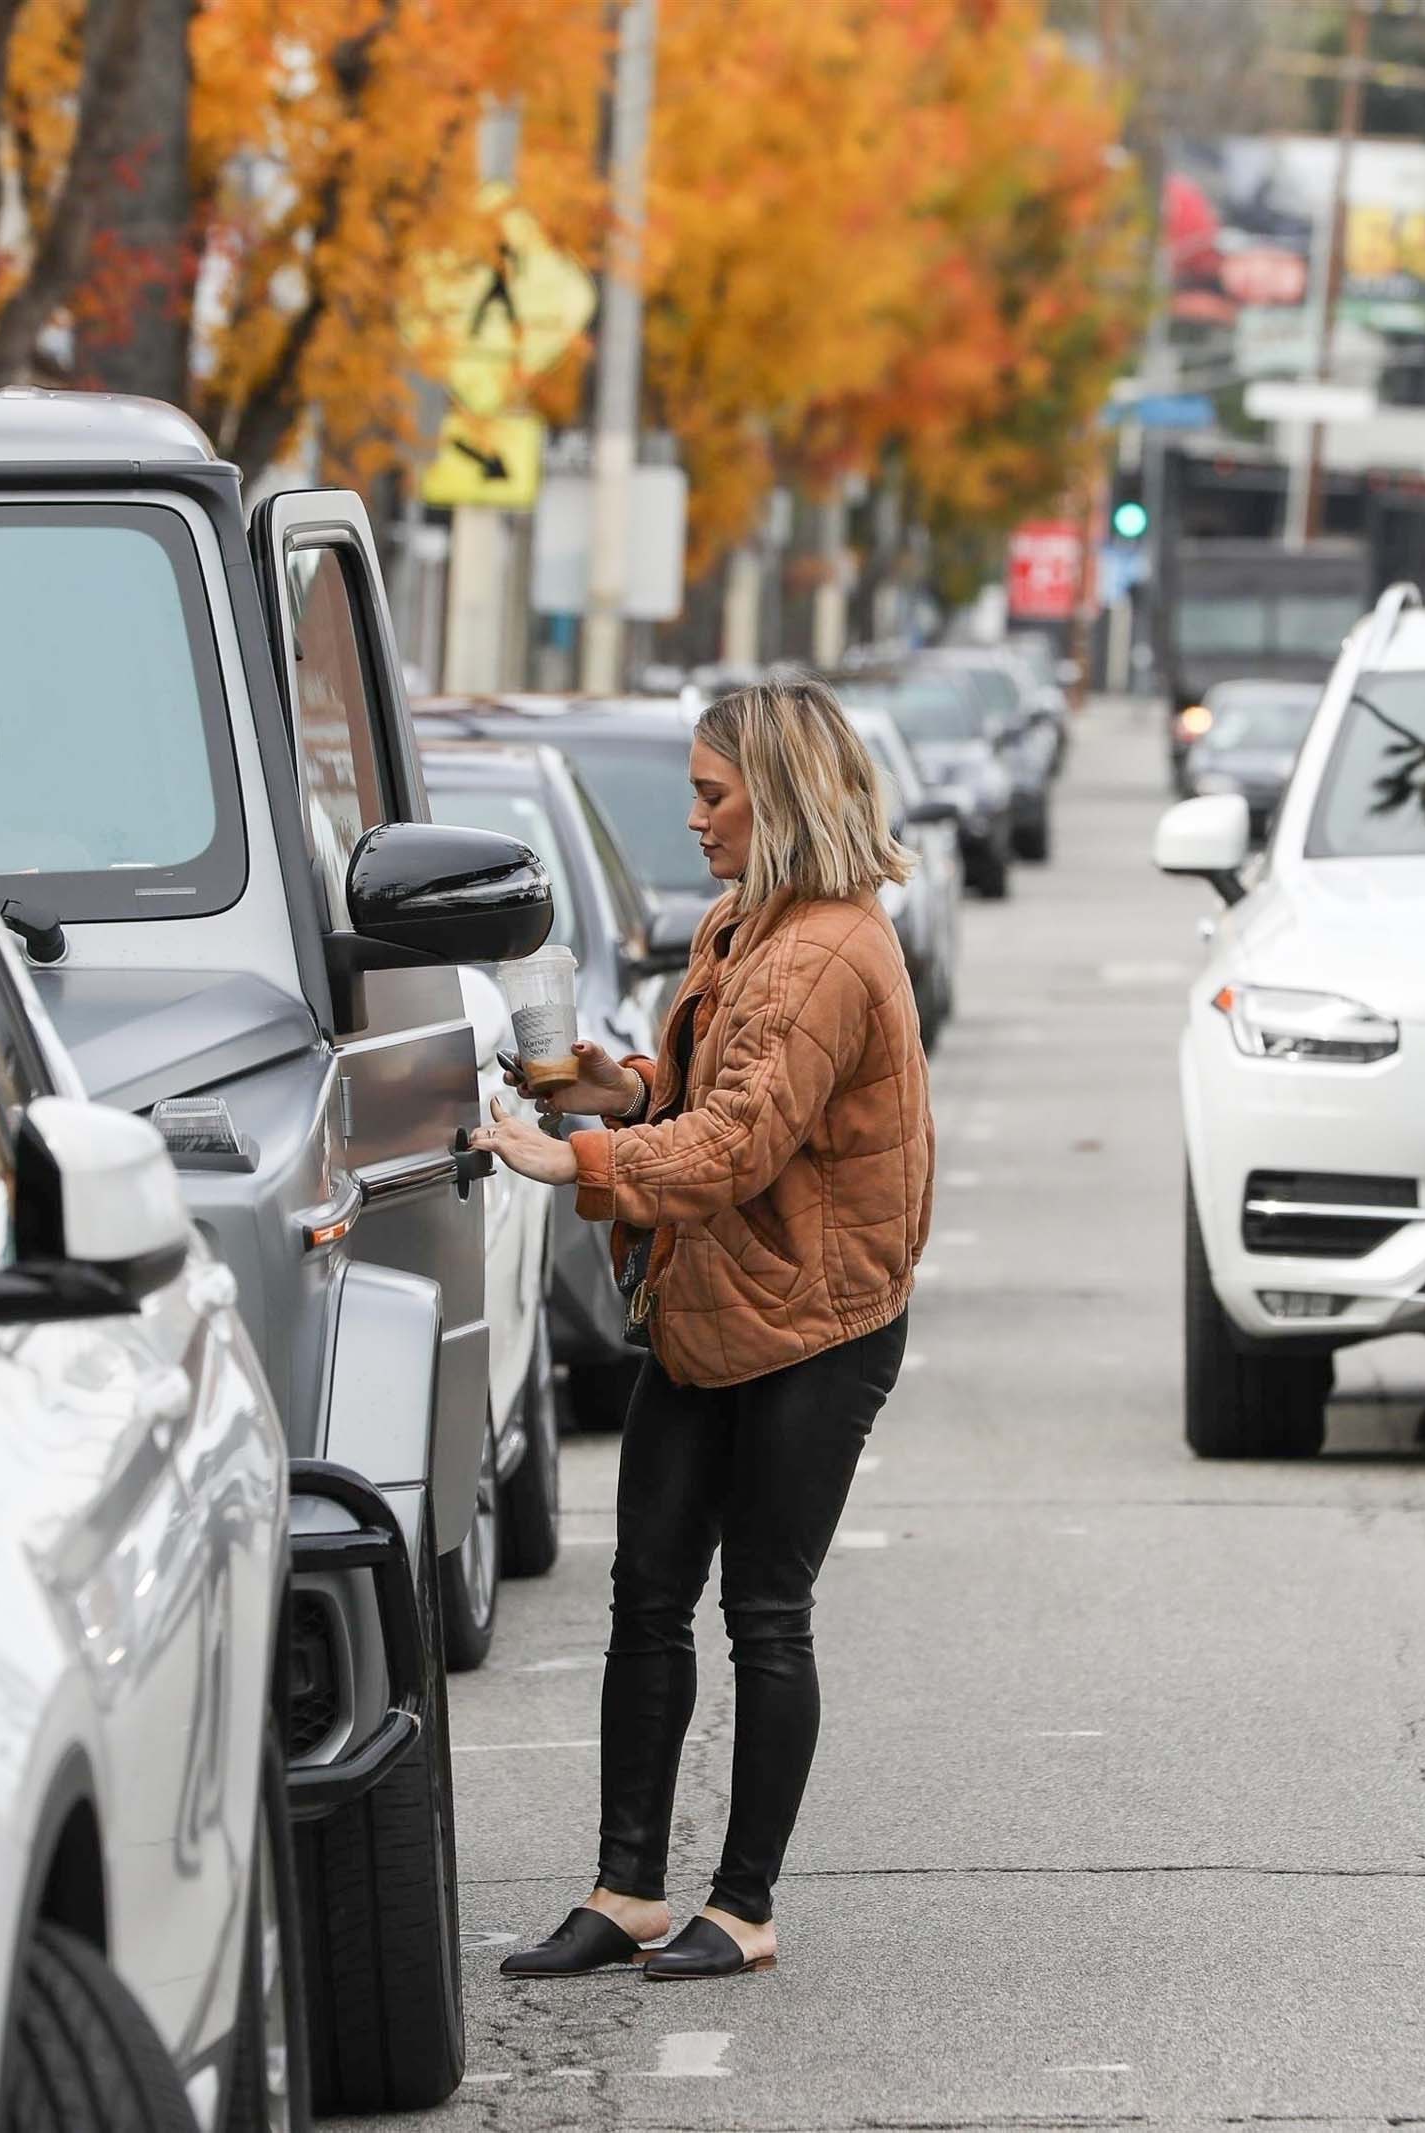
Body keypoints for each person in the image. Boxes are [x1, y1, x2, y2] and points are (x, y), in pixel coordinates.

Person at [467, 677, 935, 1982]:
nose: (694, 818)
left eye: (713, 795)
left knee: (766, 1611)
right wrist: (607, 1086)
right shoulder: (743, 925)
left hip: (818, 1322)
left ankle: (743, 1903)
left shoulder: (832, 948)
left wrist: (581, 1163)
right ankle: (628, 1890)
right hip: (713, 1301)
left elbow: (735, 1146)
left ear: (776, 801)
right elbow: (704, 1095)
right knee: (646, 1596)